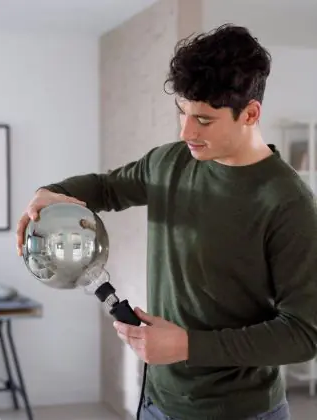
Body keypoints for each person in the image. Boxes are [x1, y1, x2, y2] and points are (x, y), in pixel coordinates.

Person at [16, 24, 317, 420]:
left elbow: (303, 333)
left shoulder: (289, 203)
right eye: (182, 112)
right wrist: (49, 193)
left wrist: (188, 346)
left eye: (204, 120)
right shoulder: (169, 162)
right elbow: (105, 188)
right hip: (156, 402)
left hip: (240, 411)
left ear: (250, 113)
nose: (186, 131)